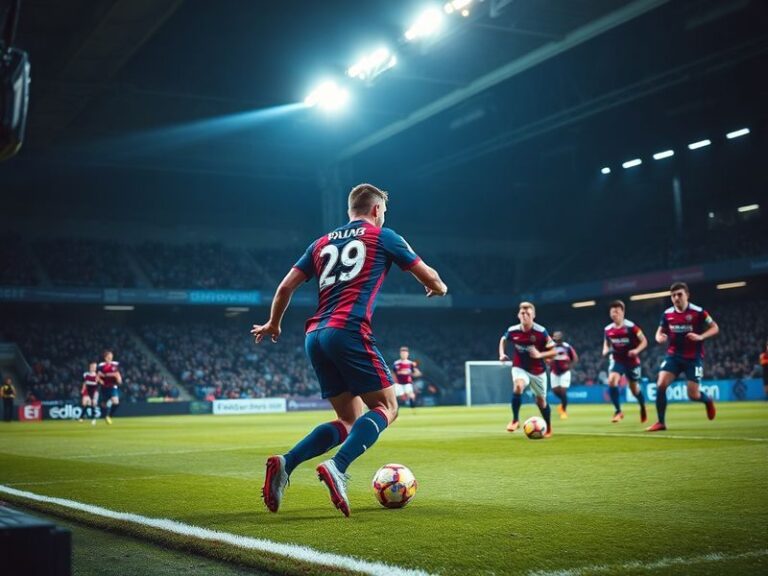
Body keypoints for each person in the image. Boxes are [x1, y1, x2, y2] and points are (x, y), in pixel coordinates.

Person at [253, 183, 447, 517]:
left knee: (348, 418)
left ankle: (286, 463)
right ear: (375, 210)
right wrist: (438, 286)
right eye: (383, 213)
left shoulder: (320, 243)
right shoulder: (383, 236)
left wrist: (273, 323)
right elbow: (427, 275)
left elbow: (285, 287)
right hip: (349, 330)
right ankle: (338, 466)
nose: (383, 218)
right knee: (387, 406)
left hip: (315, 335)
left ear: (349, 211)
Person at [647, 282, 719, 432]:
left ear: (687, 295)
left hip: (693, 358)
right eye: (673, 295)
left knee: (692, 395)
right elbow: (658, 332)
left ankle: (707, 401)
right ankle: (661, 422)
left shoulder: (699, 312)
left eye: (679, 294)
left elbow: (715, 327)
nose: (676, 298)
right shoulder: (667, 314)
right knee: (661, 384)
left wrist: (700, 337)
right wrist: (659, 337)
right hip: (673, 356)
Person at [498, 302, 557, 437]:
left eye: (528, 313)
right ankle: (514, 420)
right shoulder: (513, 330)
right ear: (518, 315)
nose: (525, 316)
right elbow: (503, 339)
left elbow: (553, 352)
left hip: (538, 370)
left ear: (533, 315)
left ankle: (548, 427)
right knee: (518, 386)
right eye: (522, 313)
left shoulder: (541, 332)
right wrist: (501, 353)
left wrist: (540, 355)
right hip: (520, 367)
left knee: (541, 402)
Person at [602, 300, 649, 423]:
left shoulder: (631, 327)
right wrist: (605, 350)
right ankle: (618, 411)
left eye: (617, 311)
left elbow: (644, 341)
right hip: (617, 359)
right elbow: (606, 344)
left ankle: (643, 406)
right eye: (612, 312)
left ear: (623, 312)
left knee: (634, 390)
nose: (614, 314)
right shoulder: (608, 329)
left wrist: (636, 351)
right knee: (612, 381)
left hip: (632, 361)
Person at [550, 331, 578, 419]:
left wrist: (569, 367)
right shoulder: (550, 347)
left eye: (558, 336)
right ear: (553, 337)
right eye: (555, 336)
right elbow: (546, 358)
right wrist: (548, 362)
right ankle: (562, 404)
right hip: (554, 372)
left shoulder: (567, 347)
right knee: (555, 391)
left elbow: (575, 358)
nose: (556, 337)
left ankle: (563, 410)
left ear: (562, 337)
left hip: (564, 372)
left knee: (563, 391)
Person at [97, 350, 122, 425]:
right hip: (104, 387)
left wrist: (119, 380)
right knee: (103, 404)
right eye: (108, 357)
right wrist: (100, 380)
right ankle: (105, 416)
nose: (110, 358)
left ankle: (109, 416)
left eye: (111, 357)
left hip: (112, 387)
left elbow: (117, 374)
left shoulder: (115, 365)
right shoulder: (101, 366)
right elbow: (98, 376)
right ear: (105, 358)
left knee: (116, 402)